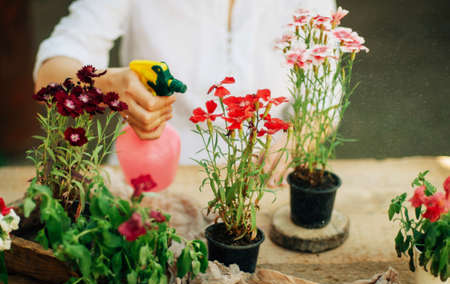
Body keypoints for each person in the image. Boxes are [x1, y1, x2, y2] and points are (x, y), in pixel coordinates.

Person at [34, 0, 336, 186]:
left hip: (260, 185)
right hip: (148, 176)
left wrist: (293, 140)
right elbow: (49, 75)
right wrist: (110, 83)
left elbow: (326, 99)